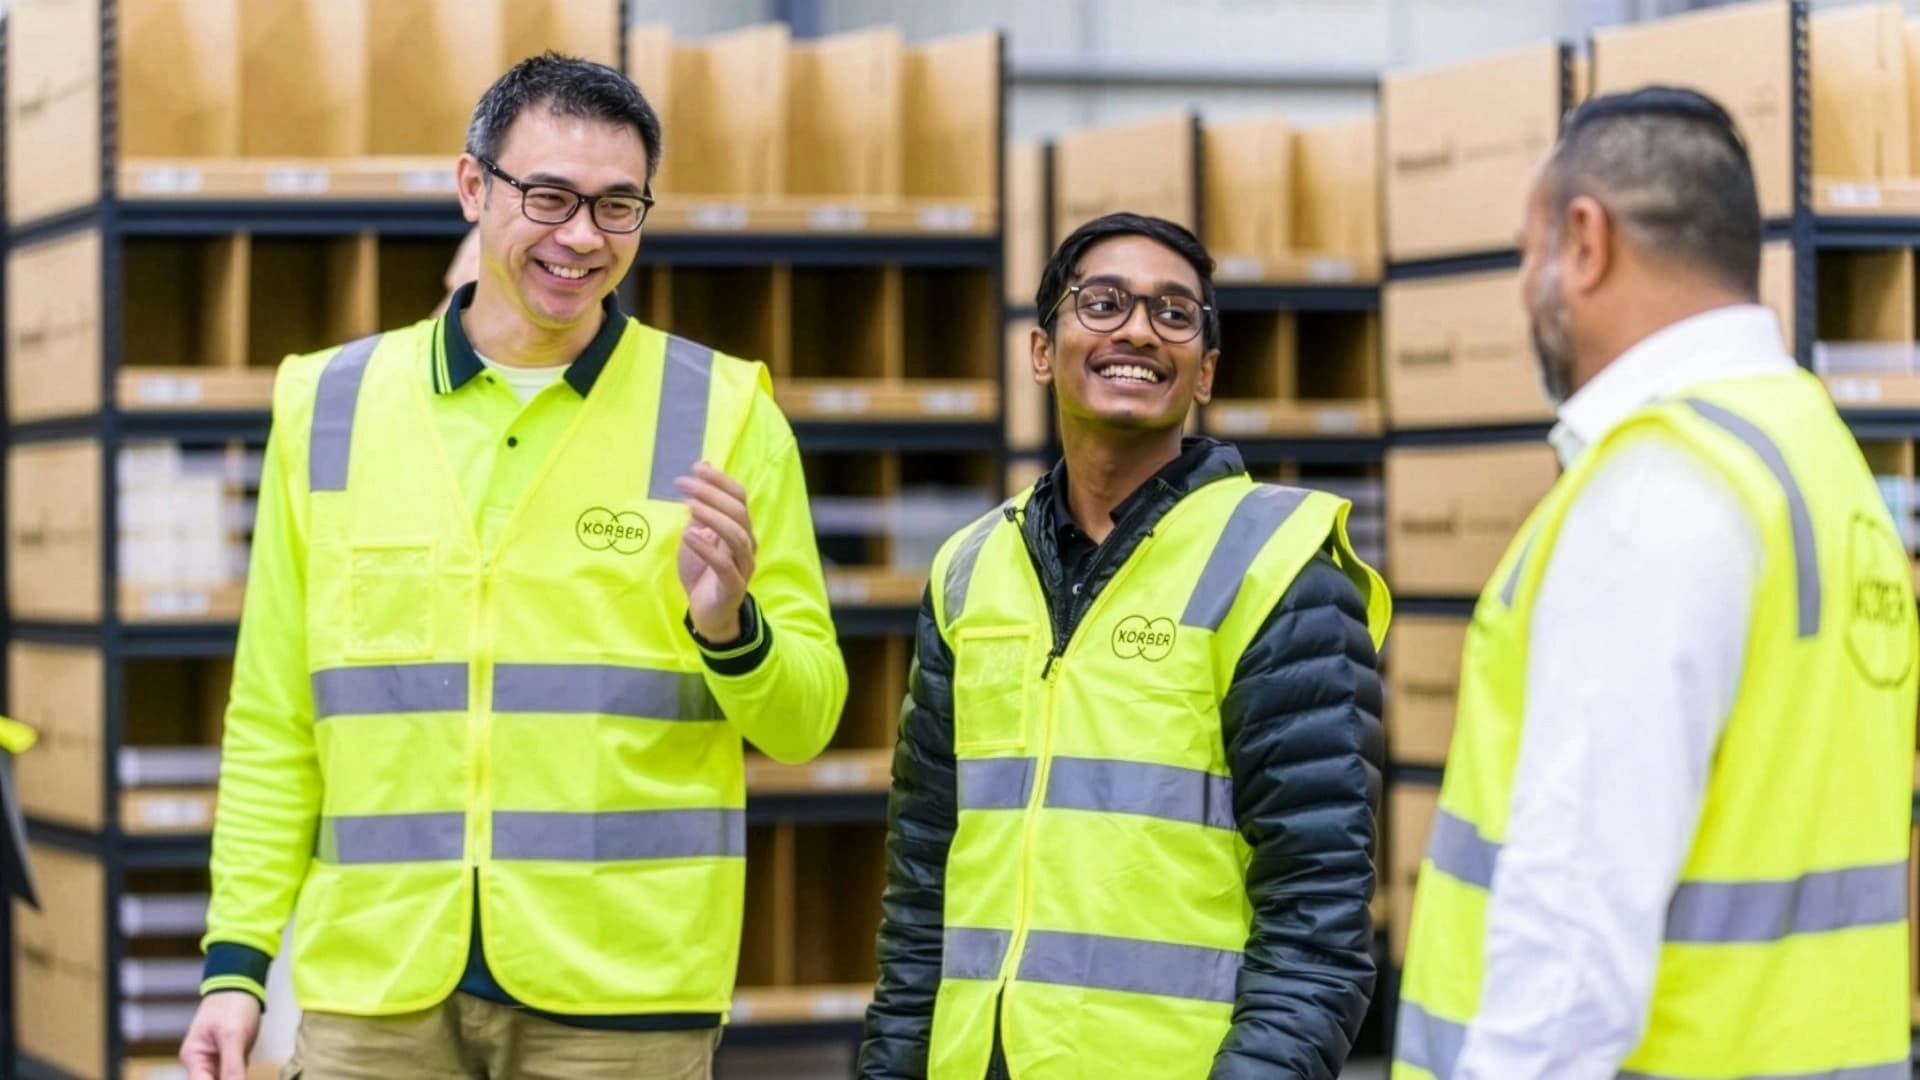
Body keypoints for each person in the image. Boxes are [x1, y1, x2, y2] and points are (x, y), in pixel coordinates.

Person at [178, 52, 848, 1079]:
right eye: (549, 197)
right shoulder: (329, 405)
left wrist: (733, 631)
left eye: (618, 206)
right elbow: (276, 715)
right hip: (379, 990)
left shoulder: (724, 413)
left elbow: (805, 724)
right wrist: (236, 962)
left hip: (622, 991)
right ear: (471, 188)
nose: (582, 236)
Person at [1394, 87, 1919, 1080]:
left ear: (1585, 242)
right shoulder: (1820, 459)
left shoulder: (1655, 494)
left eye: (1525, 250)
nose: (1520, 287)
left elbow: (1572, 942)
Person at [858, 211, 1392, 1079]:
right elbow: (923, 891)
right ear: (1042, 350)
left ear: (1206, 372)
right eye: (1102, 303)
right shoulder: (969, 570)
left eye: (1175, 313)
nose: (1139, 329)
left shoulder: (1277, 568)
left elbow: (1316, 917)